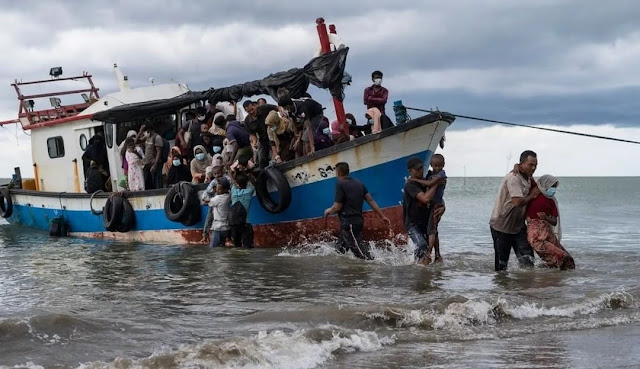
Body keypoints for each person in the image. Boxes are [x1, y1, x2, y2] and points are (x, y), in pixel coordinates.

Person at [323, 162, 391, 260]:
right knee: (339, 251)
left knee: (361, 254)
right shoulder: (359, 183)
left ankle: (377, 266)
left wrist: (328, 211)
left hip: (349, 223)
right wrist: (382, 216)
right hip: (357, 222)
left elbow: (337, 207)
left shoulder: (340, 184)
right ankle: (346, 273)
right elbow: (370, 200)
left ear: (338, 173)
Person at [489, 150, 541, 271]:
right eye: (530, 165)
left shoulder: (528, 177)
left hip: (518, 227)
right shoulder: (513, 178)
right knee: (502, 265)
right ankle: (502, 289)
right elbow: (517, 202)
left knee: (528, 262)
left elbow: (540, 187)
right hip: (501, 226)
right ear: (521, 164)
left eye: (535, 165)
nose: (533, 168)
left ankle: (525, 287)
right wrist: (532, 195)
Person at [526, 175, 575, 269]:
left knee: (569, 260)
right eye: (552, 186)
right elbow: (529, 176)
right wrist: (517, 166)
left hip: (547, 231)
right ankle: (547, 273)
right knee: (561, 256)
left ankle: (556, 279)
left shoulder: (552, 201)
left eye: (555, 187)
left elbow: (554, 221)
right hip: (536, 235)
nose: (553, 189)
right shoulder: (535, 192)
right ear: (545, 185)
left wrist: (546, 217)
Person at [403, 157, 446, 264]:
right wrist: (436, 183)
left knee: (430, 239)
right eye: (417, 169)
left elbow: (438, 199)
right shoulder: (410, 184)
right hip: (412, 223)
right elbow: (426, 199)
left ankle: (420, 266)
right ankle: (418, 266)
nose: (421, 171)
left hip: (424, 222)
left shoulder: (426, 181)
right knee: (422, 245)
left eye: (422, 168)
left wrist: (443, 207)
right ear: (410, 171)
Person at [229, 170, 256, 248]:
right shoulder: (248, 192)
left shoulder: (234, 192)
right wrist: (249, 175)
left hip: (234, 225)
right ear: (247, 183)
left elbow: (233, 182)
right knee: (248, 247)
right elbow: (255, 185)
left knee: (237, 246)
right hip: (245, 223)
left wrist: (231, 174)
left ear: (237, 183)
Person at [136, 122, 163, 190]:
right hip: (147, 163)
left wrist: (155, 165)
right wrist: (140, 131)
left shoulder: (157, 137)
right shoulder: (147, 137)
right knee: (147, 184)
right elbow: (136, 141)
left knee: (156, 183)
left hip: (153, 163)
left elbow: (159, 152)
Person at [208, 177, 231, 247]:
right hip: (226, 227)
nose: (217, 190)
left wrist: (212, 189)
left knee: (213, 249)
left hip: (218, 227)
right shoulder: (228, 197)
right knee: (221, 247)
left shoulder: (217, 198)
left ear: (225, 189)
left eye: (219, 189)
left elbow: (205, 200)